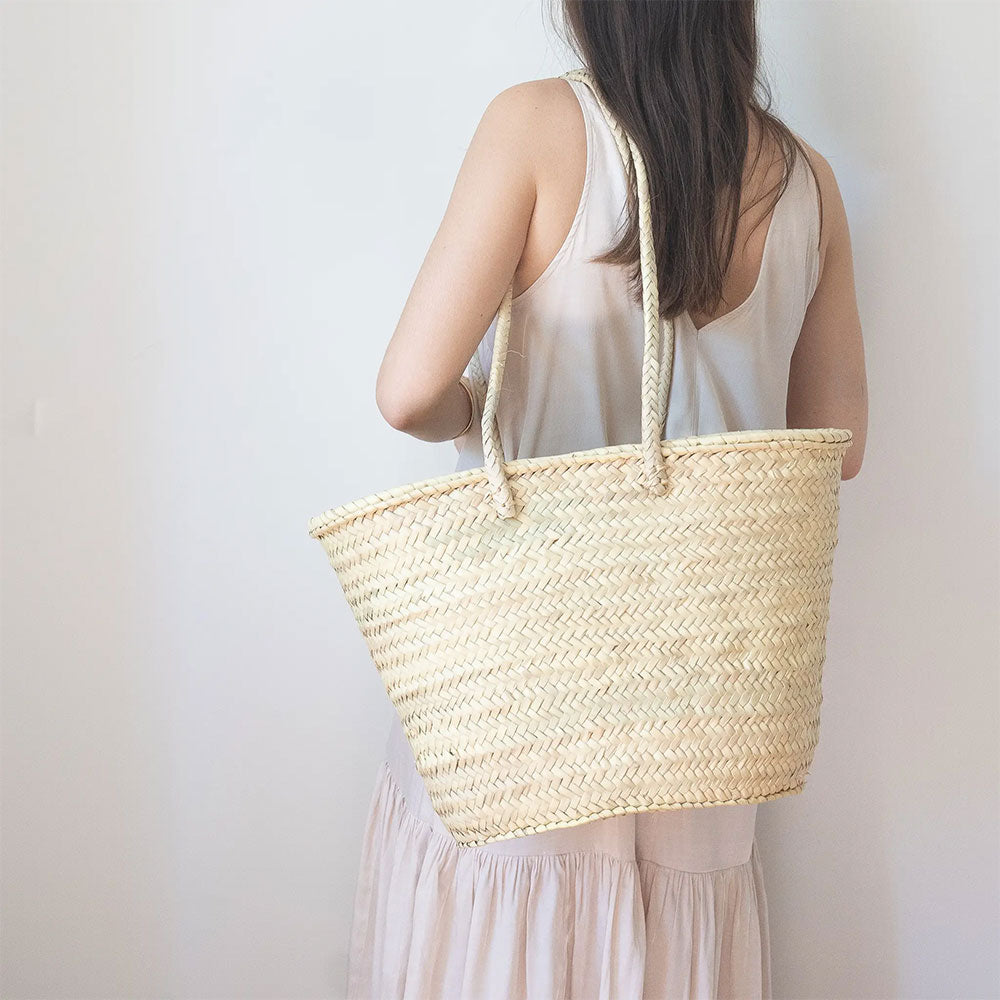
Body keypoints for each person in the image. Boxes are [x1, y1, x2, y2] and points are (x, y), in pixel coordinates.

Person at [360, 2, 868, 997]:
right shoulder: (807, 182)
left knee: (509, 931)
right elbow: (836, 448)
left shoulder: (536, 126)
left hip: (530, 661)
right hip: (710, 674)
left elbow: (407, 391)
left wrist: (481, 403)